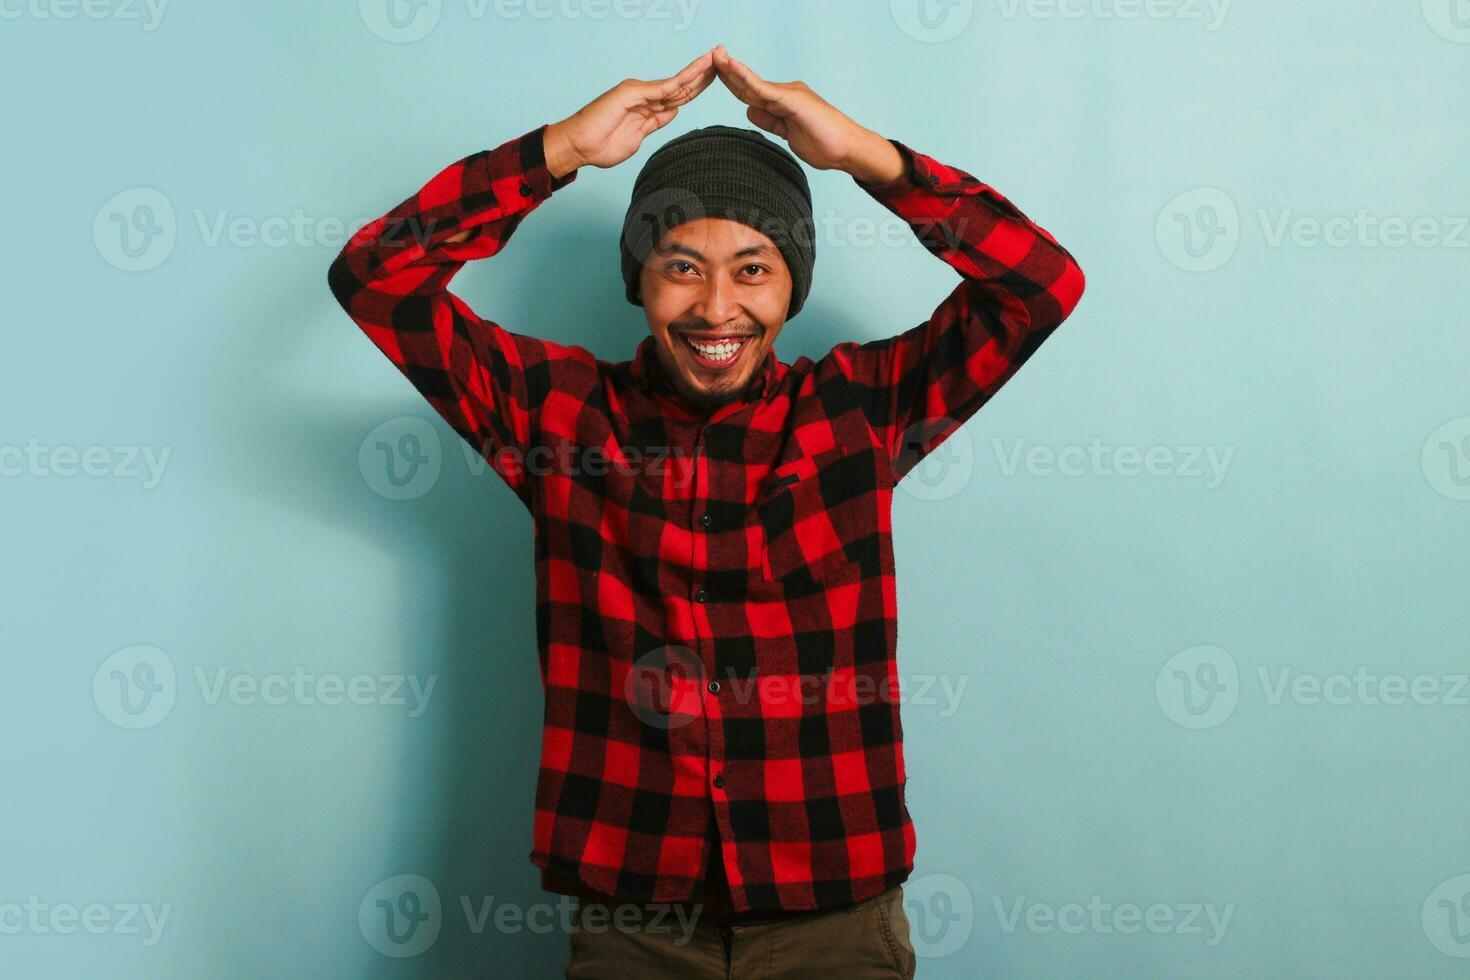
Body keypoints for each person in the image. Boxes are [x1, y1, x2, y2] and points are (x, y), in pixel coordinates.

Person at [328, 43, 1085, 979]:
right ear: (639, 278)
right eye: (681, 267)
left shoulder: (862, 411)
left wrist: (863, 155)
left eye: (754, 270)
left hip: (835, 915)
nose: (716, 308)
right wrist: (559, 151)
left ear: (792, 285)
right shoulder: (555, 416)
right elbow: (375, 277)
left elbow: (1042, 284)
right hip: (632, 921)